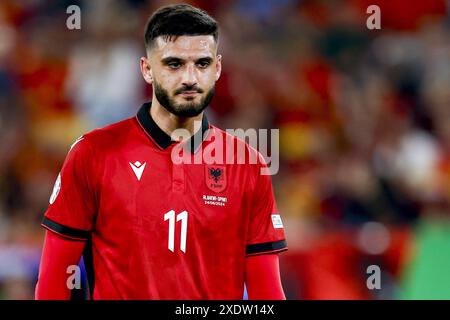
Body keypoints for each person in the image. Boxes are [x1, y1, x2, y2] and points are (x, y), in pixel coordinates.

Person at [35, 3, 287, 300]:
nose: (190, 78)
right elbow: (53, 284)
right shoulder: (93, 154)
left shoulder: (247, 164)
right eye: (174, 64)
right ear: (147, 70)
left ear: (218, 69)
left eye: (202, 64)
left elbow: (267, 294)